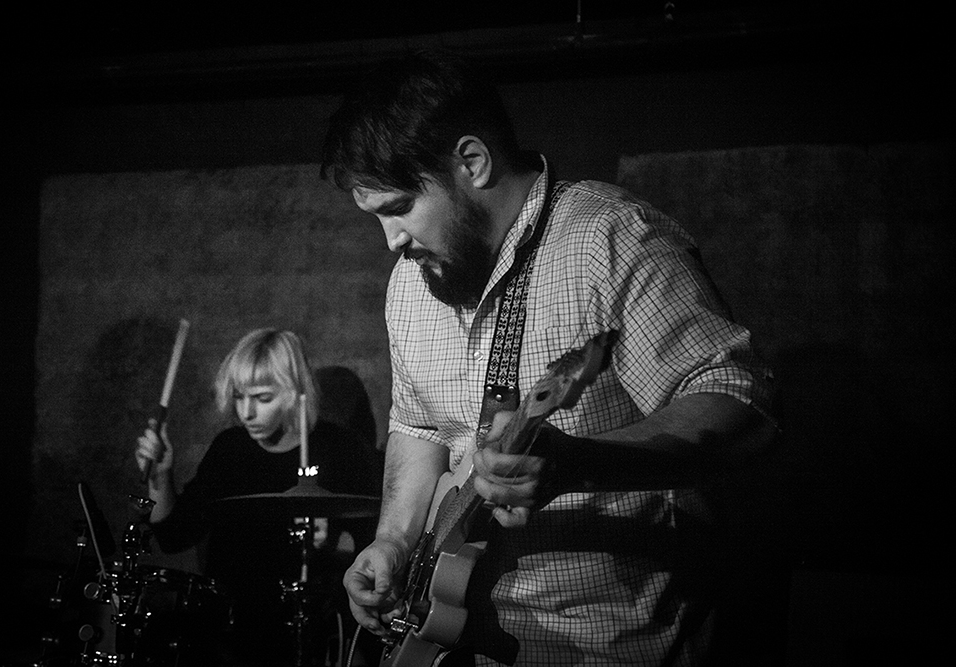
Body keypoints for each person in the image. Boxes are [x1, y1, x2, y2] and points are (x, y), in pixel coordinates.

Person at [320, 50, 779, 666]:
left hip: (611, 647)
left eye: (400, 208)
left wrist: (584, 464)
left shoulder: (609, 238)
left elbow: (741, 406)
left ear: (472, 163)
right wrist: (393, 544)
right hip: (455, 639)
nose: (392, 242)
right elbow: (418, 426)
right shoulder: (411, 283)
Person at [135, 328, 380, 666]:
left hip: (315, 632)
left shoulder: (342, 449)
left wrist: (333, 544)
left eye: (263, 398)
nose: (247, 413)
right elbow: (174, 535)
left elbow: (377, 548)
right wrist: (162, 475)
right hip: (230, 633)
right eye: (239, 397)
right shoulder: (229, 449)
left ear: (296, 391)